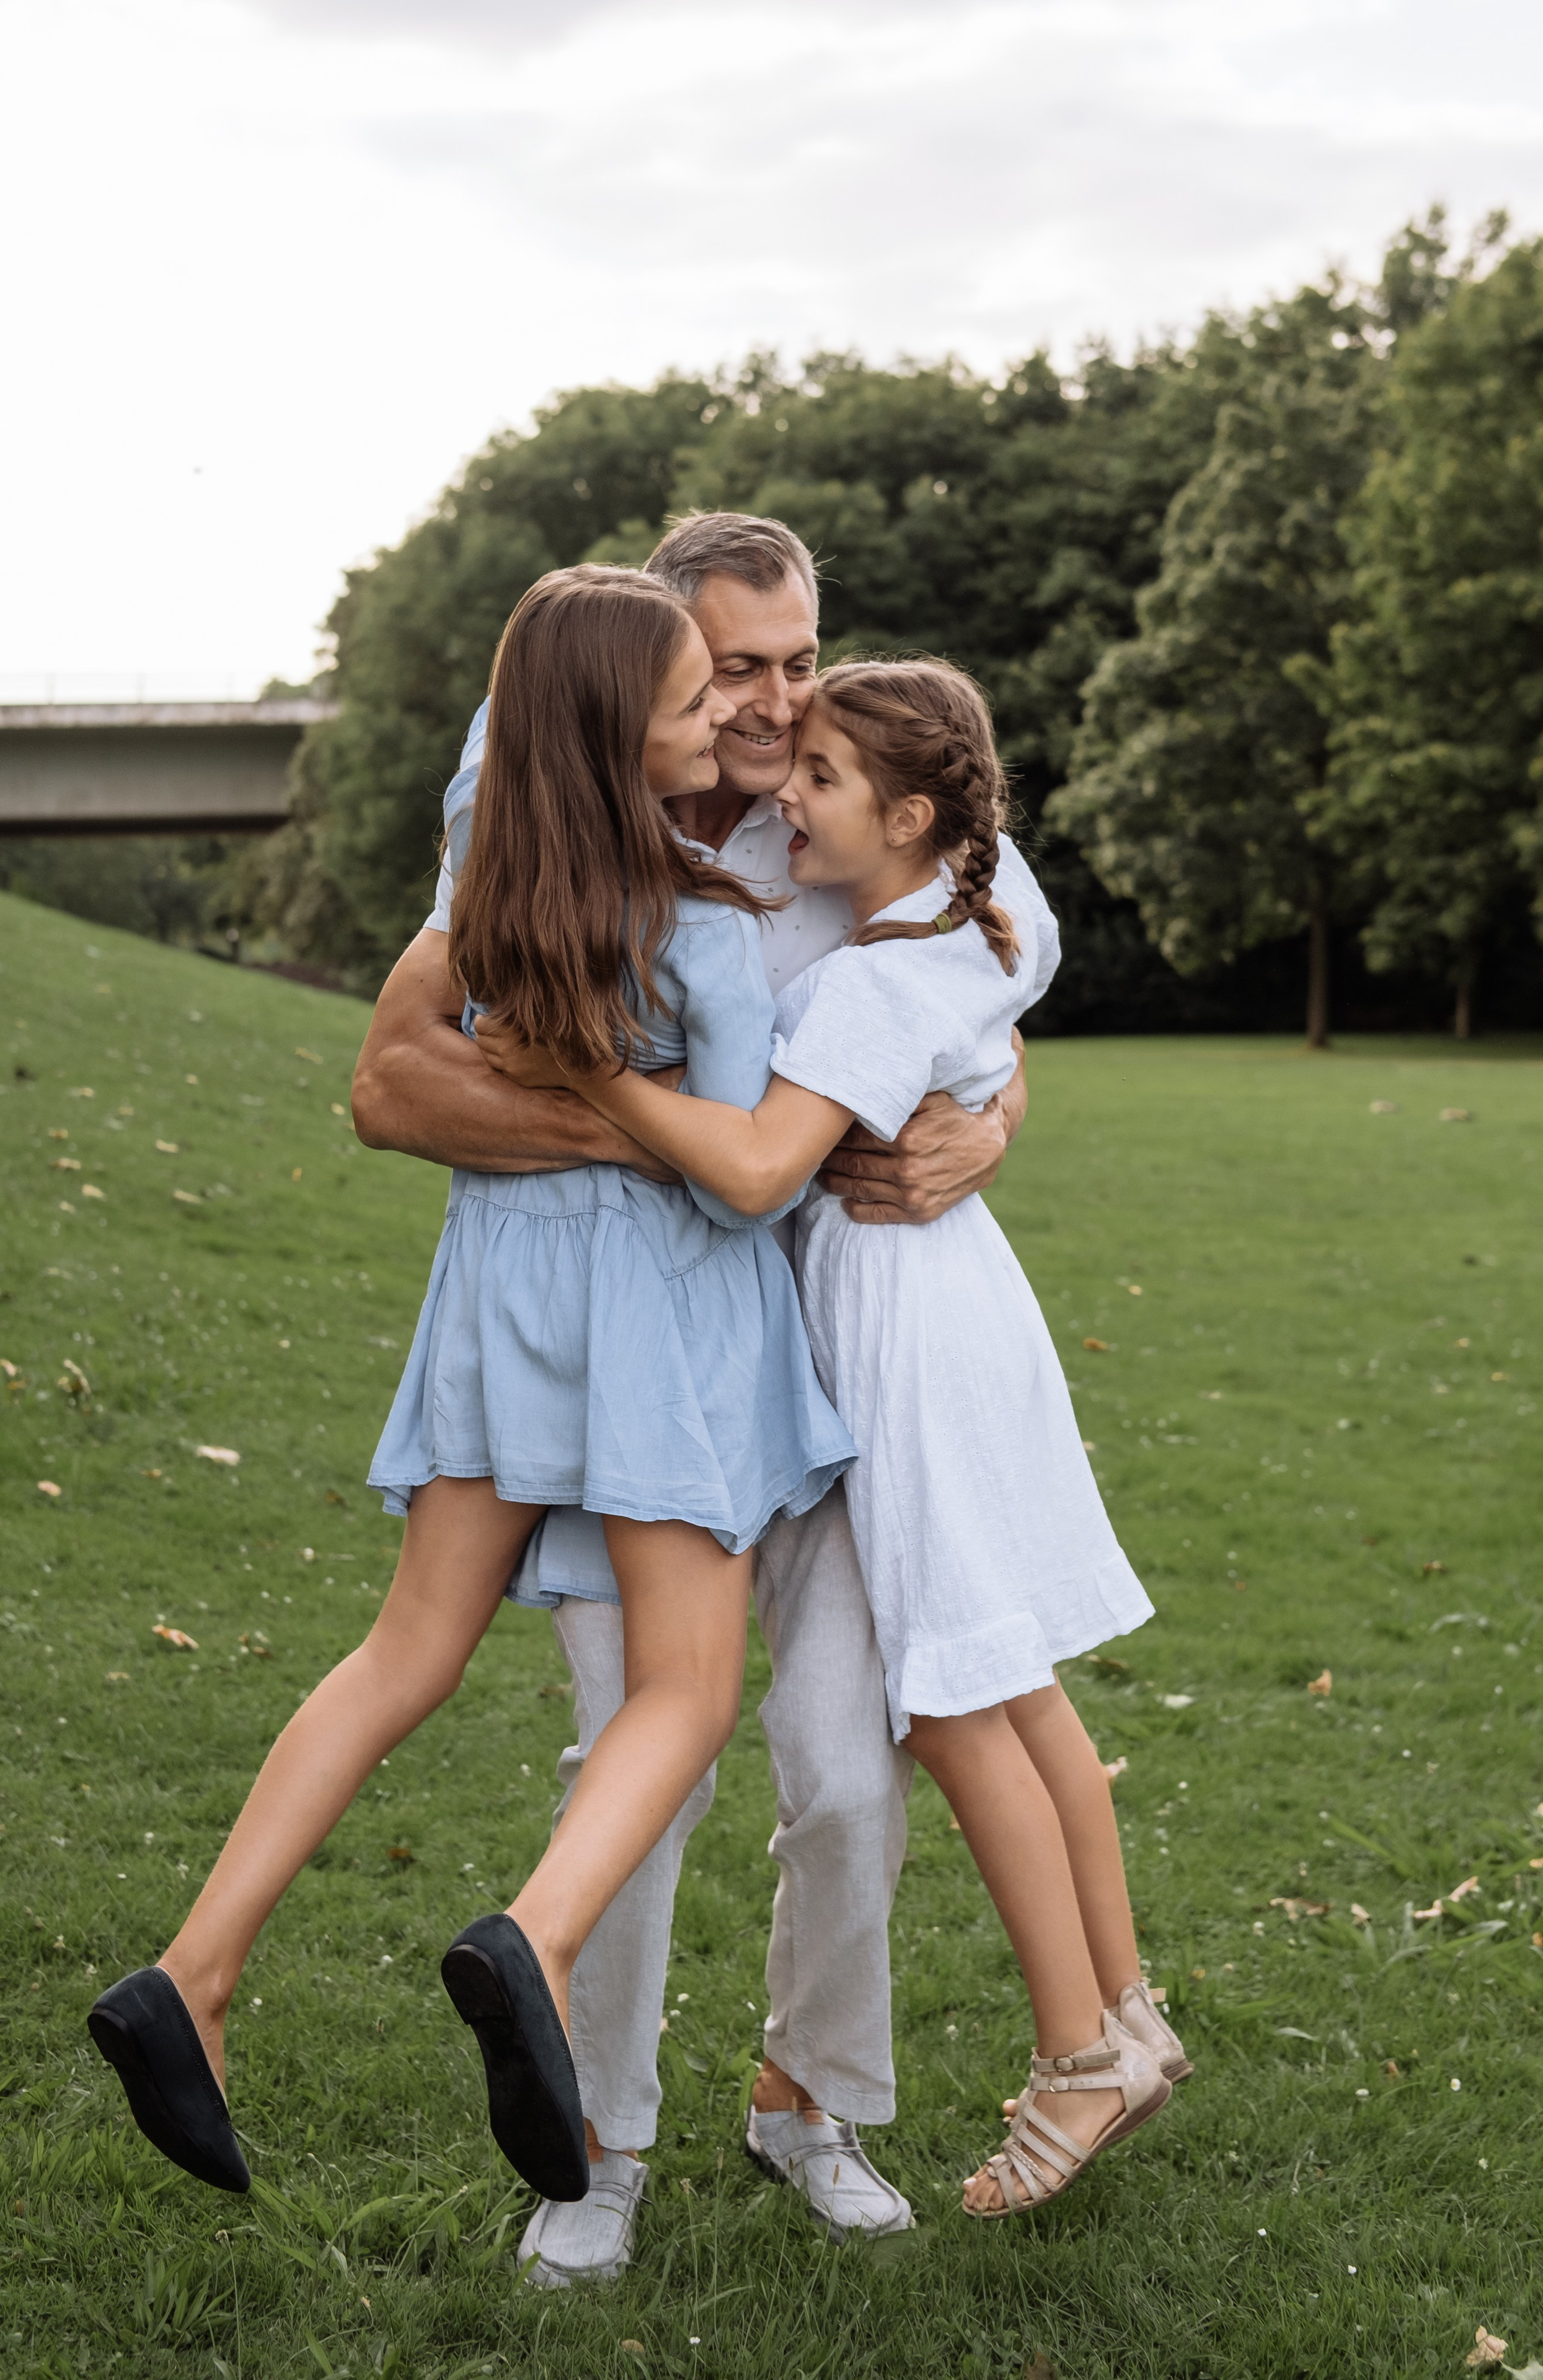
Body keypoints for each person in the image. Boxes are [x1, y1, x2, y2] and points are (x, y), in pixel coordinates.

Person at [86, 565, 854, 2208]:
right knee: (689, 1688)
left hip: (500, 1287)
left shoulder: (488, 915)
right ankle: (540, 1939)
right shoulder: (711, 931)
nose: (721, 715)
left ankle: (194, 1973)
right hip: (660, 1317)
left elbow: (408, 1057)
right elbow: (743, 1177)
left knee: (403, 1650)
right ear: (617, 735)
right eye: (687, 700)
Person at [353, 513, 1050, 2284]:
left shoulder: (849, 787)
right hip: (639, 1365)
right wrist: (679, 1149)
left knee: (839, 1769)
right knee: (637, 1766)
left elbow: (991, 945)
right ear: (661, 659)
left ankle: (809, 2099)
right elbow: (403, 1083)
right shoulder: (537, 772)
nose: (774, 699)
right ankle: (598, 2151)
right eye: (739, 666)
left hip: (826, 1351)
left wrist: (998, 1107)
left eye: (797, 658)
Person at [480, 657, 1188, 2221]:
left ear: (910, 813)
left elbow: (754, 1169)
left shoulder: (880, 961)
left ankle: (1076, 2056)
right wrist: (981, 1083)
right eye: (748, 687)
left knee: (943, 1693)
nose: (782, 757)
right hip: (929, 1308)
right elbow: (1002, 959)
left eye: (815, 752)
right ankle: (1124, 2017)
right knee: (1007, 1675)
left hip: (887, 1322)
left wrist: (592, 1065)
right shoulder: (969, 904)